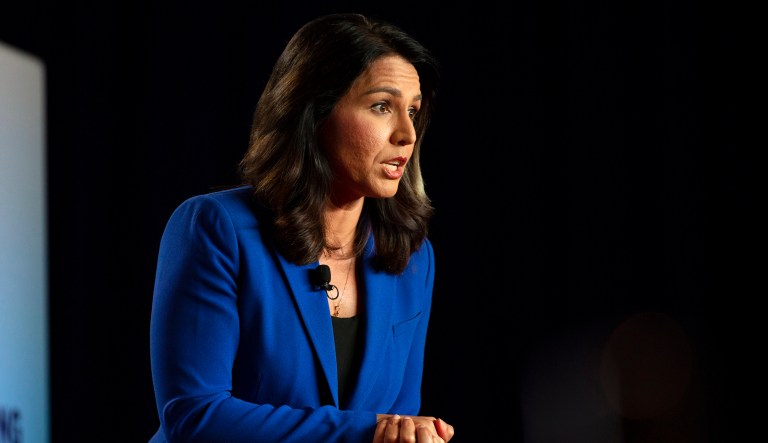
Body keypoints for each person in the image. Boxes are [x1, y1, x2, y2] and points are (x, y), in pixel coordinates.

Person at [148, 12, 455, 443]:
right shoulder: (216, 228)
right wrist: (370, 430)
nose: (407, 133)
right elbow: (193, 415)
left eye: (413, 111)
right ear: (314, 112)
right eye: (382, 106)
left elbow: (399, 415)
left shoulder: (412, 257)